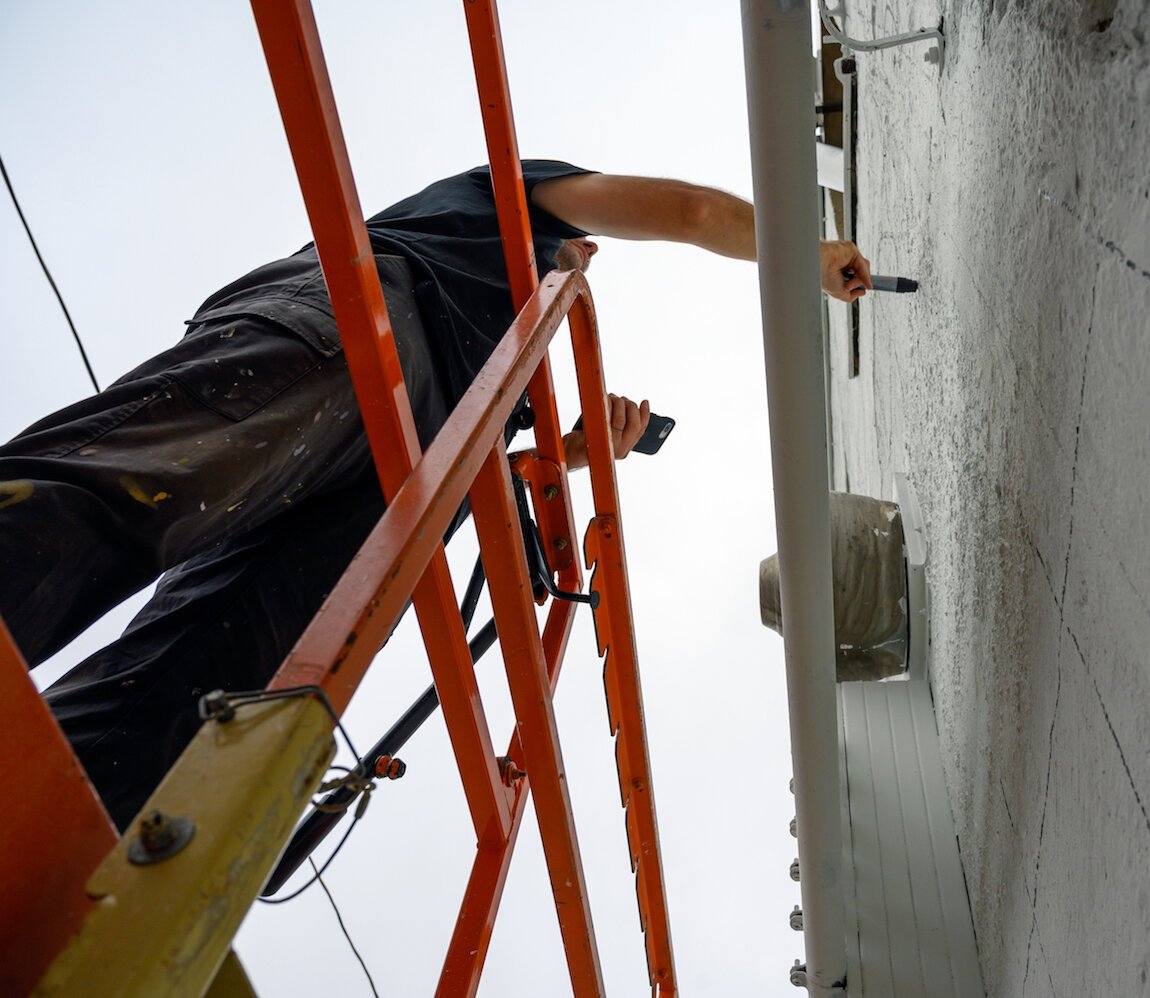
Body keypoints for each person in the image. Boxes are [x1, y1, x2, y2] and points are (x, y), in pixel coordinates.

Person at [0, 159, 872, 827]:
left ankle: (45, 848)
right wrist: (806, 255)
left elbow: (483, 464)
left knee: (196, 682)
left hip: (409, 473)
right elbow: (693, 213)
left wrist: (572, 452)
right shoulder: (500, 203)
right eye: (582, 249)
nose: (586, 263)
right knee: (144, 492)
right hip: (362, 321)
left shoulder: (502, 365)